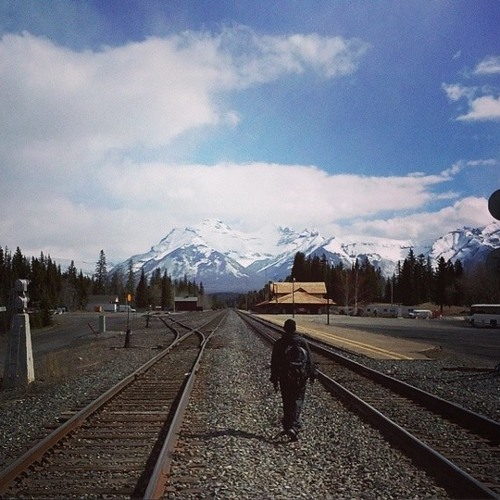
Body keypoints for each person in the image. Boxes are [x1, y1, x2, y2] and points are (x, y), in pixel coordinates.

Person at [270, 318, 316, 441]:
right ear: (295, 329)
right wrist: (312, 374)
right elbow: (310, 360)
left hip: (285, 376)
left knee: (287, 400)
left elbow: (274, 362)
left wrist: (274, 378)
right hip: (300, 376)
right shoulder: (302, 341)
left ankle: (288, 425)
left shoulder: (280, 343)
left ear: (284, 328)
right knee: (297, 400)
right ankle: (293, 427)